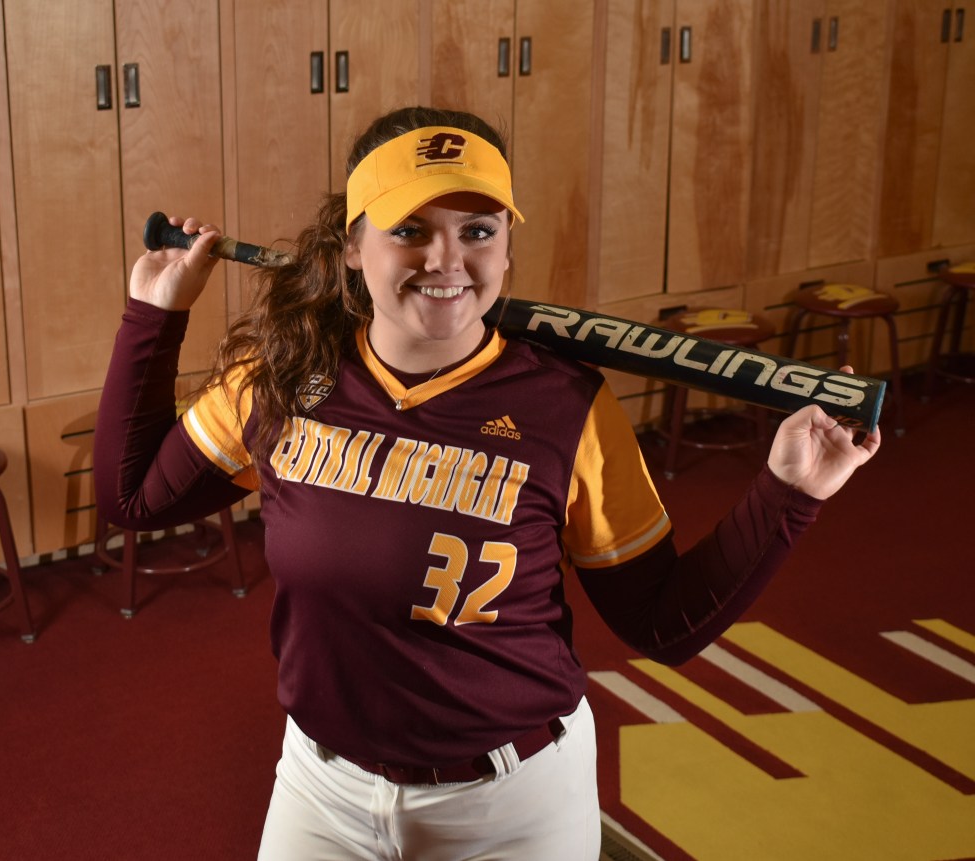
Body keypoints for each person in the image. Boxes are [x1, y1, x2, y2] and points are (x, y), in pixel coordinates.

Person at [94, 106, 880, 860]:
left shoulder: (565, 408)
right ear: (352, 246)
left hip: (509, 806)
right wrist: (153, 314)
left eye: (477, 231)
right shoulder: (281, 374)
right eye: (410, 230)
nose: (447, 261)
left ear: (506, 249)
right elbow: (135, 497)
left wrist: (788, 492)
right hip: (321, 787)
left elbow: (660, 622)